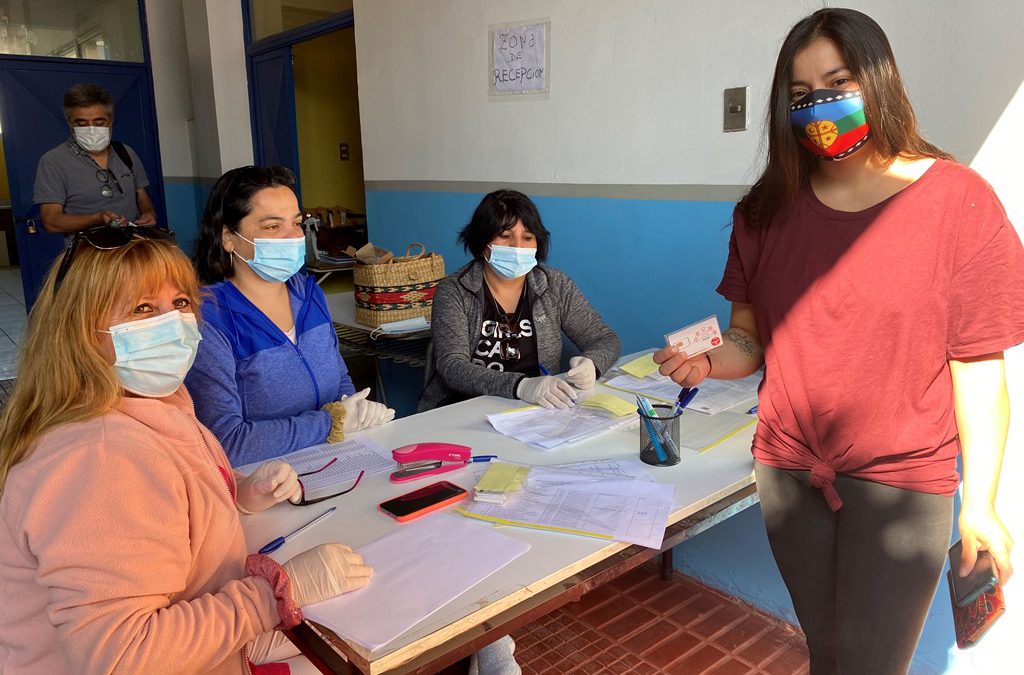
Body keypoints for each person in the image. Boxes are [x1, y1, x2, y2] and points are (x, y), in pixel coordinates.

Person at [654, 8, 1023, 674]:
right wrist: (706, 361)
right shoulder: (764, 212)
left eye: (837, 82)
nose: (818, 105)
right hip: (788, 475)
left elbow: (977, 368)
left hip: (902, 485)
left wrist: (984, 503)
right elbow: (748, 339)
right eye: (800, 94)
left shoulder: (957, 202)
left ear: (879, 81)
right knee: (828, 654)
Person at [0, 225, 372, 674]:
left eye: (179, 303)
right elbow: (124, 658)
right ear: (80, 331)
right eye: (142, 308)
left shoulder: (148, 403)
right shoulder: (98, 456)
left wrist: (235, 494)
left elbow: (159, 504)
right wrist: (274, 593)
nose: (172, 323)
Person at [187, 166, 393, 467]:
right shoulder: (209, 318)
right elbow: (226, 442)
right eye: (273, 226)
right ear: (228, 237)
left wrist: (357, 411)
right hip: (264, 480)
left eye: (297, 223)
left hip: (334, 461)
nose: (293, 236)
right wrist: (331, 423)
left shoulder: (309, 293)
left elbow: (339, 380)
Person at [419, 189, 621, 411]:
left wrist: (592, 363)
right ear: (482, 240)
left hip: (538, 409)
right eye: (505, 236)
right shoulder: (454, 291)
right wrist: (521, 386)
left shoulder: (555, 285)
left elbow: (604, 338)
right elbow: (452, 366)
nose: (517, 247)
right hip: (462, 408)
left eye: (527, 237)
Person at [34, 83, 157, 233]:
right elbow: (51, 222)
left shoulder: (126, 152)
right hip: (87, 247)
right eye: (82, 124)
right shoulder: (53, 161)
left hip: (133, 244)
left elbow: (142, 196)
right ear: (70, 124)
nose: (91, 130)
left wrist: (149, 213)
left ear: (110, 122)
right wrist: (96, 219)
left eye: (99, 123)